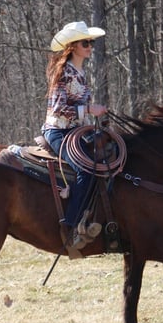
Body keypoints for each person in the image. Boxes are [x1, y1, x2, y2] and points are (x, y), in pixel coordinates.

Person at [42, 21, 108, 251]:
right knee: (84, 170)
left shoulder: (80, 71)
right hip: (58, 131)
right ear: (73, 46)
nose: (90, 46)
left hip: (75, 131)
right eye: (85, 42)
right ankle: (70, 225)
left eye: (91, 42)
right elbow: (58, 109)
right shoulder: (64, 72)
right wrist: (90, 110)